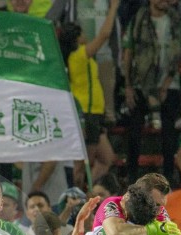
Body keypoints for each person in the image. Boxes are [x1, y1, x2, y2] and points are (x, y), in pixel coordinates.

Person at [122, 0, 181, 184]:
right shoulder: (139, 19)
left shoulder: (175, 20)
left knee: (169, 134)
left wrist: (165, 84)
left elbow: (179, 53)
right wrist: (128, 85)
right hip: (141, 82)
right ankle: (131, 176)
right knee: (133, 131)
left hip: (170, 83)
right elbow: (128, 52)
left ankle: (168, 178)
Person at [62, 0, 119, 182]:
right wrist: (113, 8)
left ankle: (88, 196)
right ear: (77, 38)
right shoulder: (78, 55)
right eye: (82, 33)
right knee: (83, 164)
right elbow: (105, 34)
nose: (86, 35)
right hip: (86, 113)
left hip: (94, 113)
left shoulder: (78, 56)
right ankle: (77, 204)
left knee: (106, 158)